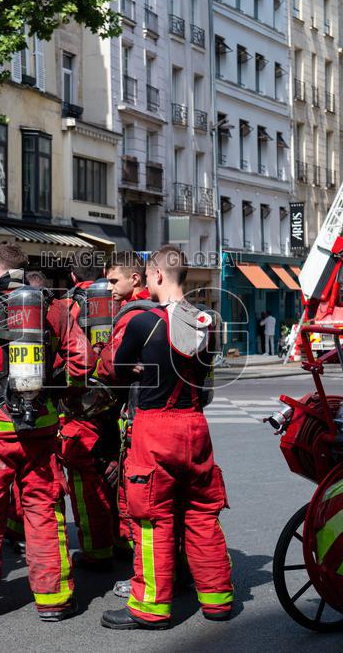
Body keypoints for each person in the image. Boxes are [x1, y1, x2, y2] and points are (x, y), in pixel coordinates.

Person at [0, 241, 92, 621]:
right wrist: (61, 394)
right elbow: (82, 362)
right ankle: (53, 599)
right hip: (40, 432)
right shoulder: (54, 309)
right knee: (44, 512)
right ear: (24, 271)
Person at [101, 245, 233, 630]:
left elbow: (117, 369)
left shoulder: (144, 322)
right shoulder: (207, 321)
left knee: (152, 517)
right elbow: (203, 372)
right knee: (202, 513)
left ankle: (151, 608)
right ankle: (218, 599)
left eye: (149, 275)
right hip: (195, 425)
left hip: (156, 427)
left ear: (157, 275)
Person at [97, 251, 154, 598]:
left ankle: (144, 577)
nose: (109, 288)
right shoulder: (160, 310)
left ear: (135, 278)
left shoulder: (132, 315)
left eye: (113, 280)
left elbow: (113, 364)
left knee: (136, 500)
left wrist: (105, 357)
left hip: (136, 415)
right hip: (162, 412)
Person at [57, 260, 119, 569]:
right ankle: (123, 539)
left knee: (84, 478)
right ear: (103, 274)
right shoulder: (118, 302)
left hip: (80, 403)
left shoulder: (63, 307)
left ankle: (97, 550)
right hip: (117, 401)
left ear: (72, 275)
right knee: (116, 471)